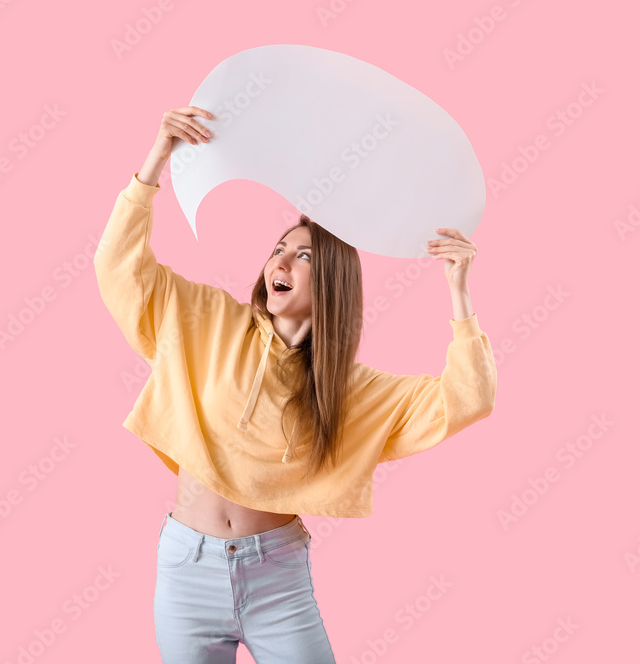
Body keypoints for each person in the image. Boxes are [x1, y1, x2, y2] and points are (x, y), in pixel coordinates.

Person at [93, 106, 497, 663]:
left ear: (330, 281)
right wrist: (154, 160)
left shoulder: (348, 388)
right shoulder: (206, 319)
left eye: (302, 255)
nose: (279, 260)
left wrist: (459, 293)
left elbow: (467, 399)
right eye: (277, 249)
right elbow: (119, 266)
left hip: (276, 578)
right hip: (187, 569)